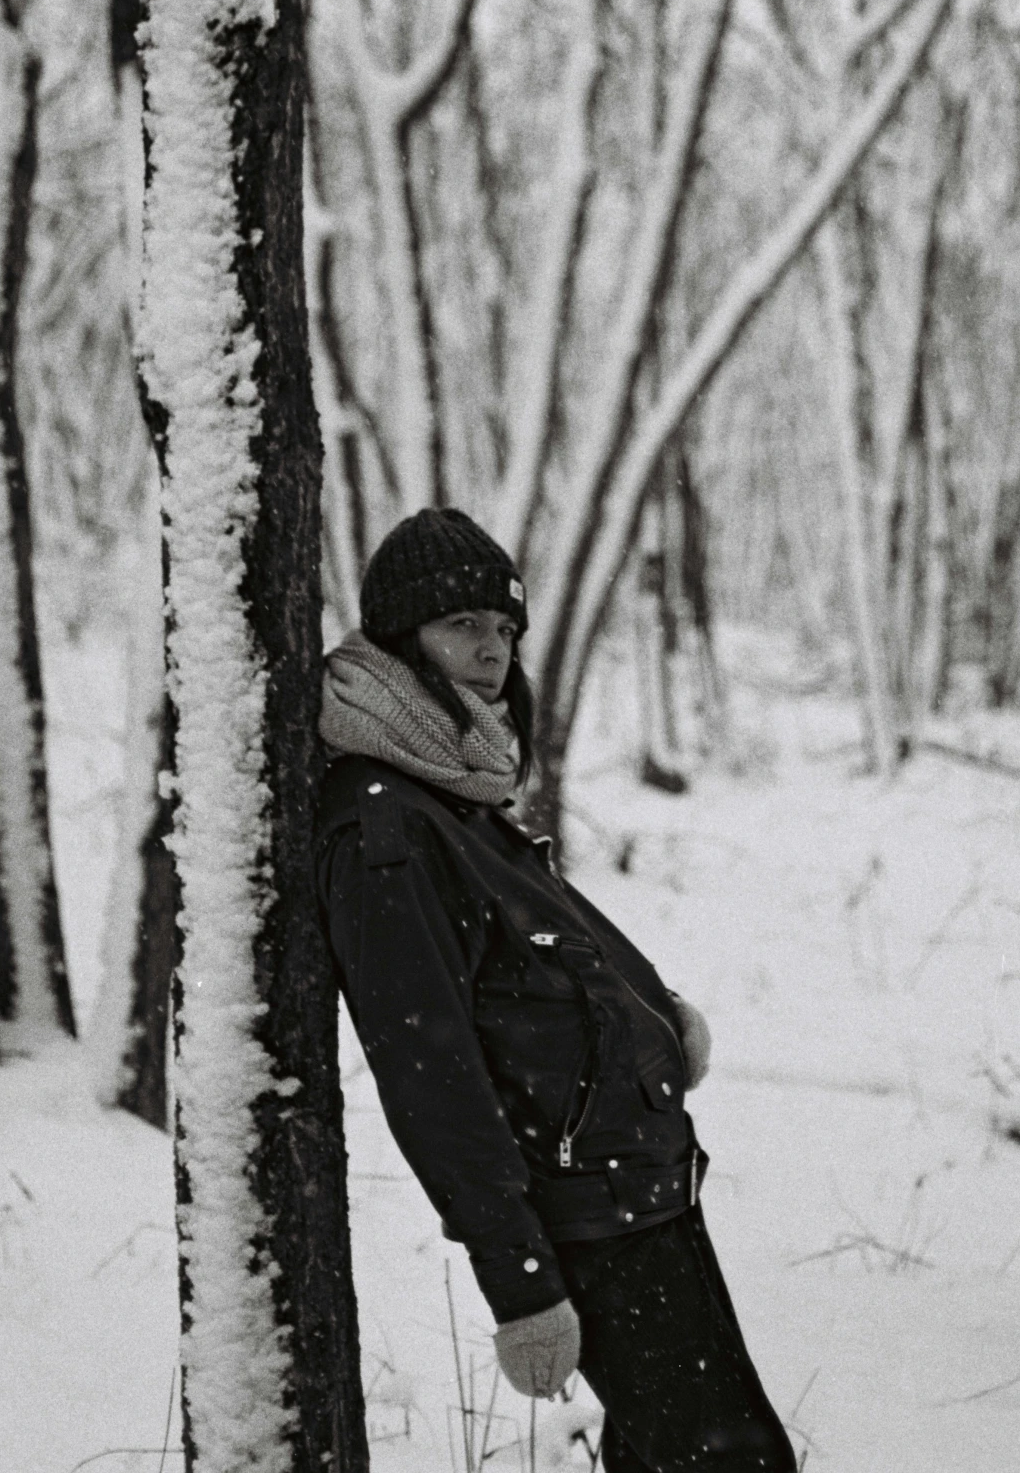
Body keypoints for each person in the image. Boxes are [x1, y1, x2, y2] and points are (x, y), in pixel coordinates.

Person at [315, 506, 798, 1473]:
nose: (491, 650)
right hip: (587, 1217)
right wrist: (522, 1283)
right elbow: (430, 1070)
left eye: (503, 628)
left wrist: (654, 1017)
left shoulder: (454, 786)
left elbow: (549, 944)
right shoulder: (388, 824)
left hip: (639, 1195)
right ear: (402, 639)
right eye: (462, 627)